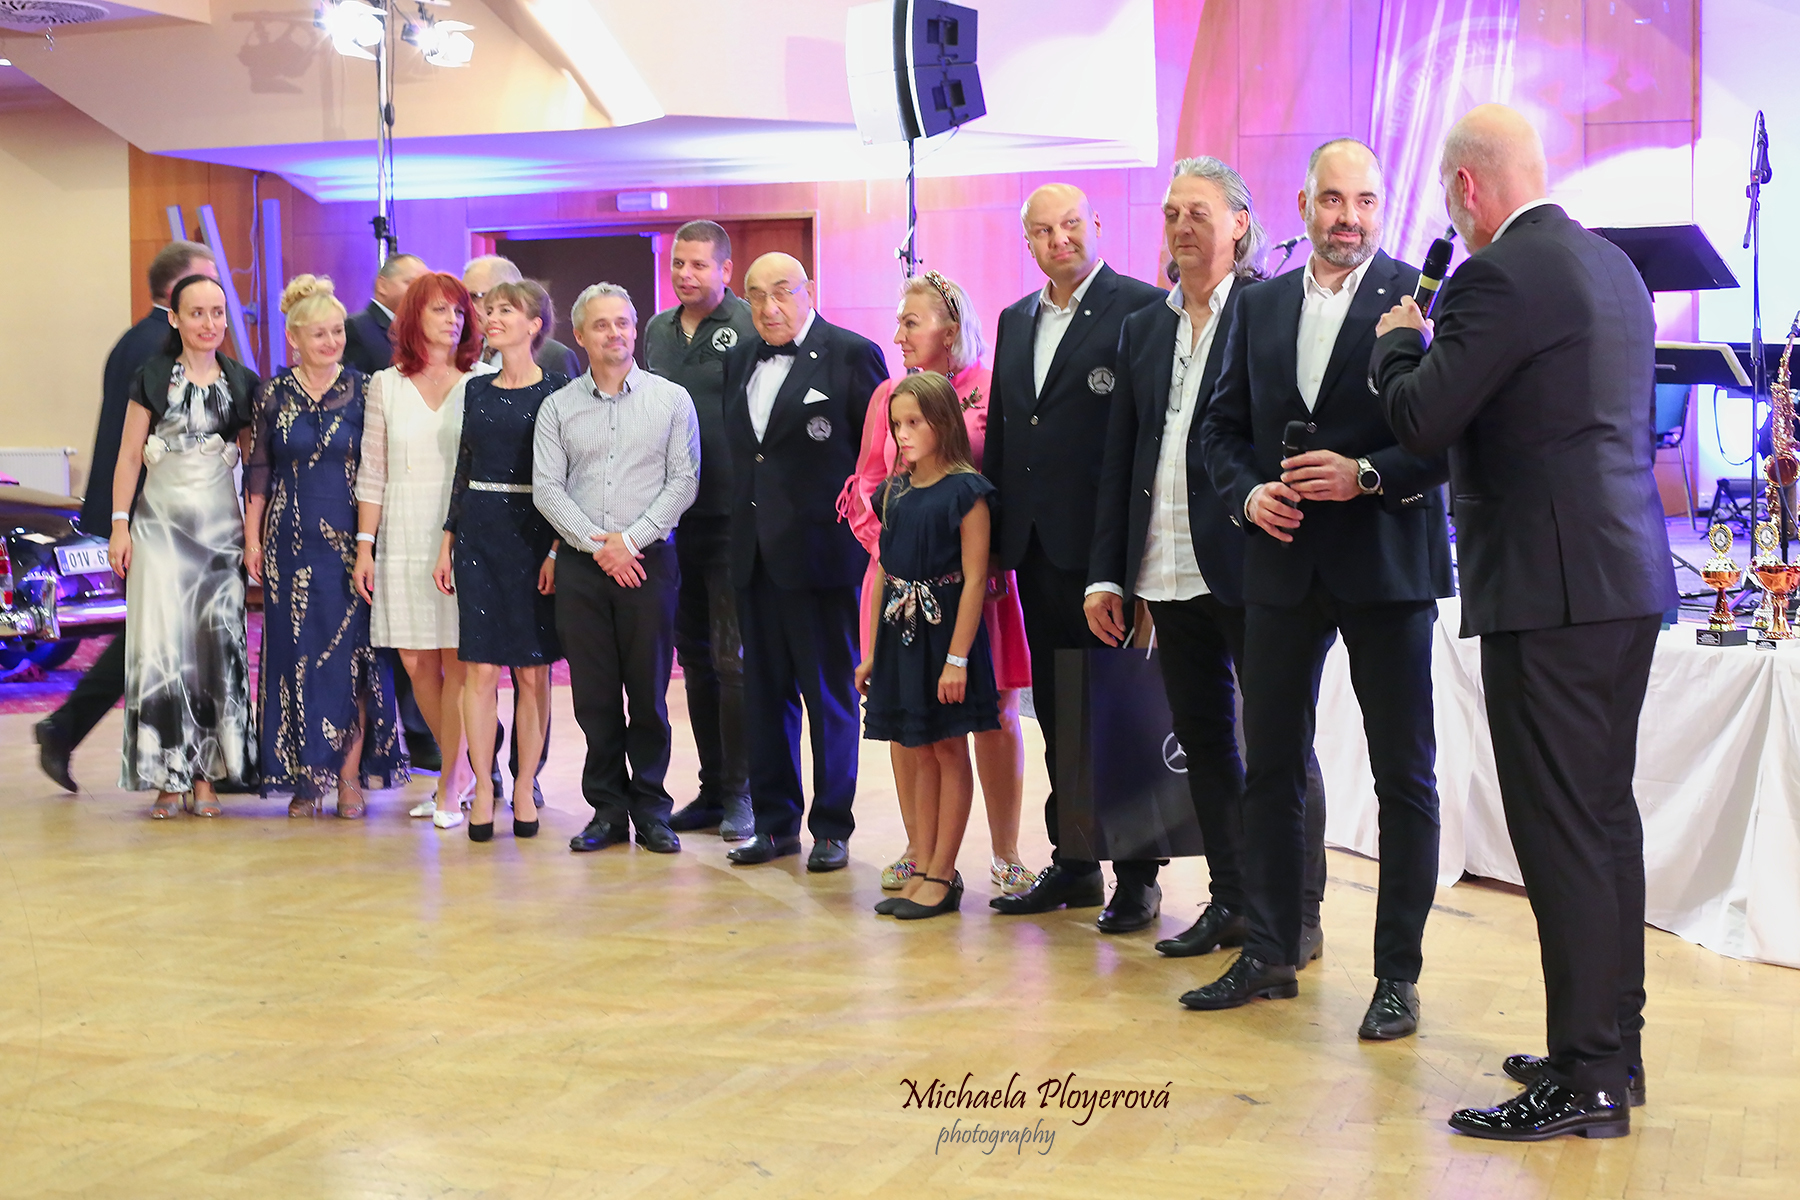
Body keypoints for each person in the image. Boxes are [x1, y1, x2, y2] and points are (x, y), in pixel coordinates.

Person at [1372, 104, 1677, 1141]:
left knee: (1561, 831)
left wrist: (1398, 345)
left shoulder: (1494, 276)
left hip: (1551, 592)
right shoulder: (1612, 267)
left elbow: (1422, 417)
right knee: (1603, 821)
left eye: (1447, 200)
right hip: (1624, 578)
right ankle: (1611, 1051)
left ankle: (1587, 1080)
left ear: (1466, 187)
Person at [1191, 139, 1450, 1040]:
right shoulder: (1256, 302)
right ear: (1303, 205)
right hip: (1280, 561)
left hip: (1386, 564)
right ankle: (1269, 951)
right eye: (1333, 200)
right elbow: (1218, 429)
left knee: (1403, 777)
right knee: (1268, 767)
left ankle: (1396, 978)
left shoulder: (1421, 296)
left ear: (1383, 208)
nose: (1349, 218)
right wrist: (1247, 494)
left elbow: (1443, 438)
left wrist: (1365, 476)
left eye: (1365, 201)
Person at [1084, 157, 1332, 964]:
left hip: (1252, 560)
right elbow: (1120, 457)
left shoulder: (1269, 312)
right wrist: (1109, 571)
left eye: (1198, 212)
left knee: (1279, 744)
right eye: (1171, 214)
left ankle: (1295, 913)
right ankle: (1231, 900)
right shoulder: (1143, 327)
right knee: (1204, 740)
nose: (1181, 227)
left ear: (1239, 223)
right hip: (1166, 564)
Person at [982, 183, 1166, 927]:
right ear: (1027, 242)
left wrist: (1126, 562)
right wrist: (998, 545)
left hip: (1104, 554)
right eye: (1041, 230)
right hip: (1034, 548)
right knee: (1059, 711)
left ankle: (1139, 875)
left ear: (1096, 224)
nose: (1058, 239)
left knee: (1118, 712)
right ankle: (1076, 861)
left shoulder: (1141, 308)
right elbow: (1004, 432)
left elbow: (1146, 441)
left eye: (1069, 225)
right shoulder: (1014, 318)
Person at [843, 272, 1034, 898]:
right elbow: (867, 484)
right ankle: (919, 847)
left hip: (977, 581)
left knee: (994, 710)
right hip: (899, 578)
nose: (898, 334)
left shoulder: (992, 387)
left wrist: (984, 558)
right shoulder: (888, 394)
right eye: (899, 322)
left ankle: (1006, 851)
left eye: (911, 322)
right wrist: (897, 553)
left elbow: (1008, 479)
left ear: (950, 331)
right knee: (906, 712)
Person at [719, 253, 888, 873]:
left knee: (829, 697)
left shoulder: (852, 354)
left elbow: (877, 462)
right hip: (754, 556)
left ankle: (832, 827)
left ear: (808, 291)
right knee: (764, 697)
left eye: (782, 292)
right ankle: (774, 825)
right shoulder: (740, 356)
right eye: (756, 295)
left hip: (822, 557)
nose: (768, 307)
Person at [37, 241, 217, 793]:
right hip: (152, 515)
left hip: (140, 513)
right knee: (155, 638)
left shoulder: (133, 338)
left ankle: (72, 730)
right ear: (177, 289)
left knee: (151, 637)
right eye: (206, 280)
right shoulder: (161, 346)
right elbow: (143, 445)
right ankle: (183, 761)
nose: (214, 293)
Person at [534, 283, 699, 855]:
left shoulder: (671, 400)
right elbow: (547, 488)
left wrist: (629, 541)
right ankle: (607, 810)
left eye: (623, 322)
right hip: (582, 569)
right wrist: (597, 546)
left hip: (649, 563)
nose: (615, 333)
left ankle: (652, 810)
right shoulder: (558, 407)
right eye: (601, 324)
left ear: (635, 328)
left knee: (649, 695)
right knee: (594, 697)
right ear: (580, 336)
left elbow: (684, 481)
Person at [246, 275, 408, 818]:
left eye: (338, 331)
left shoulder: (367, 389)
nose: (332, 341)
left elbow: (379, 470)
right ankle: (306, 776)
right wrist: (252, 538)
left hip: (350, 544)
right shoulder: (271, 394)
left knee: (352, 662)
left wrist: (371, 544)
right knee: (296, 661)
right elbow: (259, 471)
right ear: (294, 338)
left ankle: (348, 776)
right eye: (320, 334)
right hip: (288, 546)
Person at [106, 273, 261, 817]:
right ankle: (167, 777)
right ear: (174, 318)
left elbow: (254, 467)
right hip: (159, 534)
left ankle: (207, 778)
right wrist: (119, 525)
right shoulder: (151, 377)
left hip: (219, 539)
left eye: (218, 312)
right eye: (197, 313)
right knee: (162, 653)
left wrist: (253, 535)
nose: (209, 323)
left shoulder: (242, 382)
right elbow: (129, 457)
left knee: (216, 653)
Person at [856, 372, 998, 920]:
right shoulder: (892, 492)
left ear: (942, 422)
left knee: (948, 747)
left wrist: (957, 658)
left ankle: (943, 871)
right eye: (897, 425)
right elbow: (884, 573)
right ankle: (921, 867)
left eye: (914, 422)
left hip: (945, 638)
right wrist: (873, 651)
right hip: (901, 634)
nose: (903, 434)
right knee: (916, 748)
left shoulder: (967, 493)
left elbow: (975, 579)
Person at [352, 272, 488, 830]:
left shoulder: (482, 379)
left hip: (462, 530)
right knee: (414, 660)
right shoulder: (385, 384)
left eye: (458, 311)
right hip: (403, 529)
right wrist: (365, 546)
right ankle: (465, 771)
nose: (452, 320)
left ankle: (451, 785)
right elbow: (373, 471)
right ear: (413, 318)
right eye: (439, 310)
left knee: (457, 659)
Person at [433, 280, 566, 842]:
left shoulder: (558, 390)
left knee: (532, 671)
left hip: (535, 534)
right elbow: (463, 469)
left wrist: (557, 548)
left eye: (505, 310)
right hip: (479, 535)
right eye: (488, 311)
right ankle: (485, 788)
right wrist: (448, 538)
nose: (490, 318)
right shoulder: (475, 390)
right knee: (481, 669)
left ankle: (525, 785)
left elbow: (569, 476)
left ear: (534, 324)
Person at [643, 220, 760, 842]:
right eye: (677, 264)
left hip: (731, 516)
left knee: (732, 659)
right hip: (670, 520)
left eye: (698, 265)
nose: (685, 275)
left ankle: (743, 793)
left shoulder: (748, 325)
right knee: (693, 659)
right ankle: (712, 788)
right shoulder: (657, 331)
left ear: (725, 269)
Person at [340, 251, 439, 771]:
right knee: (403, 644)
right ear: (384, 284)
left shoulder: (467, 372)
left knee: (441, 644)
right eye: (414, 281)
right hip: (383, 495)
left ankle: (445, 745)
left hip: (437, 510)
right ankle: (410, 737)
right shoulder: (359, 332)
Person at [464, 255, 582, 378]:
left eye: (474, 297)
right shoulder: (465, 353)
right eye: (464, 299)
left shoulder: (554, 357)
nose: (467, 306)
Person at [343, 253, 428, 376]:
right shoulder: (357, 327)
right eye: (411, 283)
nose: (420, 292)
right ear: (382, 285)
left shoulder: (423, 329)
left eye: (424, 287)